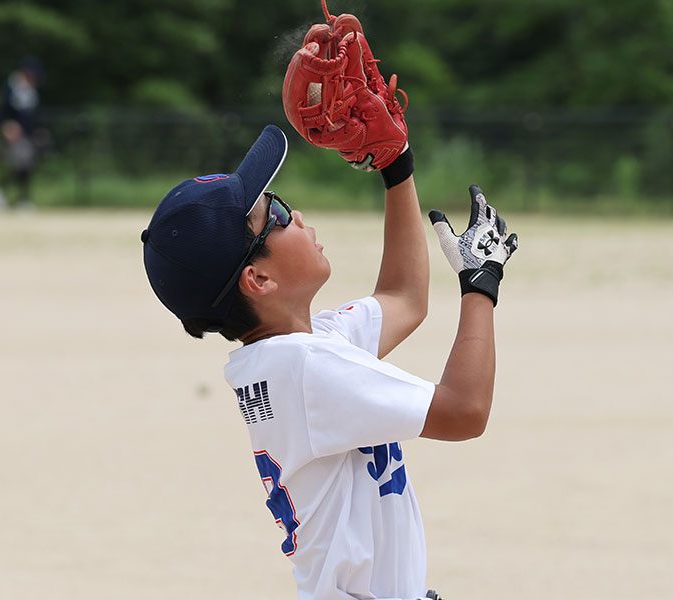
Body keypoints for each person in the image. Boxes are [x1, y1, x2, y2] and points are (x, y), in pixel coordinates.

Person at [142, 124, 518, 599]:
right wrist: (480, 285)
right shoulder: (306, 369)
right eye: (275, 214)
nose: (294, 214)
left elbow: (403, 298)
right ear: (257, 279)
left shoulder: (292, 354)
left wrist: (396, 166)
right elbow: (465, 411)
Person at [0, 56, 43, 212]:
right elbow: (1, 112)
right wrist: (6, 127)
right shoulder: (10, 87)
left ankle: (7, 194)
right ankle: (15, 197)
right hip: (11, 134)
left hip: (27, 135)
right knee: (19, 166)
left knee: (24, 167)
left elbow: (32, 116)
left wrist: (37, 131)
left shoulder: (31, 91)